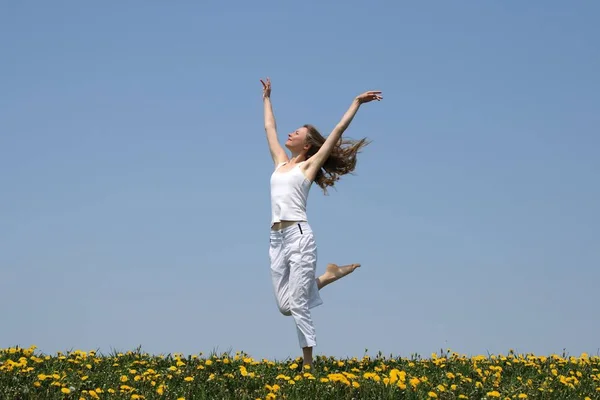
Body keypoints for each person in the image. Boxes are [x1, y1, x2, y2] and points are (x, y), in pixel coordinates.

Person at [261, 77, 382, 369]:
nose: (290, 133)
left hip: (300, 236)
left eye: (297, 132)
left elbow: (338, 131)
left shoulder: (308, 166)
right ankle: (328, 276)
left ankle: (308, 364)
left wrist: (355, 103)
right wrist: (267, 98)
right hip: (276, 239)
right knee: (284, 307)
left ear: (308, 144)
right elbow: (269, 128)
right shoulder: (280, 162)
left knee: (298, 304)